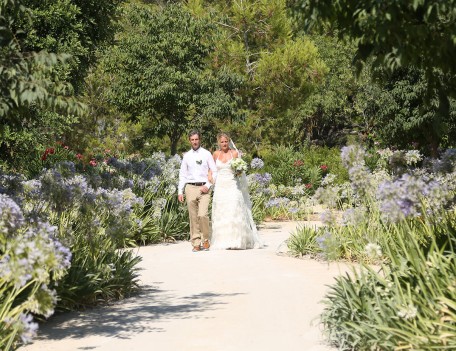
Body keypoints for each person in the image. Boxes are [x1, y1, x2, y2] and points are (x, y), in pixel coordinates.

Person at [210, 132, 263, 250]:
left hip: (233, 185)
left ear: (229, 141)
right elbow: (211, 169)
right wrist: (210, 176)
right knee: (221, 211)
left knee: (234, 209)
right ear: (218, 143)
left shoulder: (234, 153)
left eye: (226, 141)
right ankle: (223, 241)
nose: (224, 144)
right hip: (220, 186)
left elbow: (240, 170)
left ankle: (237, 240)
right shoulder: (215, 154)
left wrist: (239, 170)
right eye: (222, 142)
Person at [178, 130, 217, 252]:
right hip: (190, 188)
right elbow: (183, 175)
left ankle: (205, 239)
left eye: (196, 139)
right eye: (192, 140)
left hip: (204, 188)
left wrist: (208, 184)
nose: (194, 142)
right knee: (193, 217)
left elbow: (214, 171)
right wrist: (180, 191)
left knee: (202, 215)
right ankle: (196, 242)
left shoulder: (206, 154)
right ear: (189, 141)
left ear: (200, 140)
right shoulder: (186, 156)